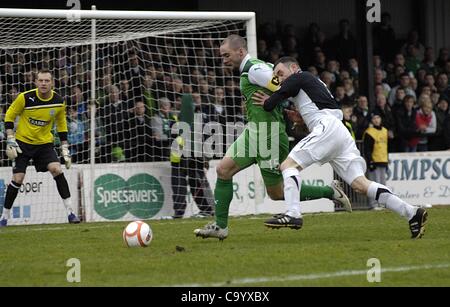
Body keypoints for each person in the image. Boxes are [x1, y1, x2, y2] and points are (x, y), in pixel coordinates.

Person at [194, 35, 351, 241]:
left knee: (276, 193)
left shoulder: (256, 69)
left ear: (240, 52)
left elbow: (287, 86)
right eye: (221, 56)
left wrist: (279, 104)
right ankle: (220, 227)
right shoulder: (253, 69)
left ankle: (329, 191)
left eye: (226, 55)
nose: (223, 60)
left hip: (270, 136)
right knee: (223, 170)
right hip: (253, 132)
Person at [253, 57, 427, 239]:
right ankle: (412, 212)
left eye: (280, 73)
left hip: (328, 127)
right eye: (276, 76)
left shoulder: (299, 77)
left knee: (288, 166)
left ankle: (293, 213)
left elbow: (270, 104)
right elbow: (319, 109)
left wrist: (267, 100)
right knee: (361, 185)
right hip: (338, 130)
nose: (279, 79)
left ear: (294, 67)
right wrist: (301, 119)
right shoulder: (309, 82)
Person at [0, 69, 80, 227]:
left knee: (57, 169)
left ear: (52, 83)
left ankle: (70, 213)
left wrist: (65, 148)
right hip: (22, 142)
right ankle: (4, 217)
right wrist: (10, 137)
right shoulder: (25, 98)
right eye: (41, 81)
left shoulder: (58, 100)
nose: (43, 83)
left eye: (47, 81)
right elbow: (9, 115)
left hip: (44, 144)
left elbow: (61, 123)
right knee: (18, 179)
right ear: (35, 82)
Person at [363, 111, 388, 209]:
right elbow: (367, 149)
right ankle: (373, 204)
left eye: (378, 118)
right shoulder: (369, 132)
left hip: (383, 160)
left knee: (382, 185)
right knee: (374, 184)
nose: (376, 120)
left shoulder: (384, 131)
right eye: (374, 118)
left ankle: (381, 203)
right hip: (375, 161)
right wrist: (370, 161)